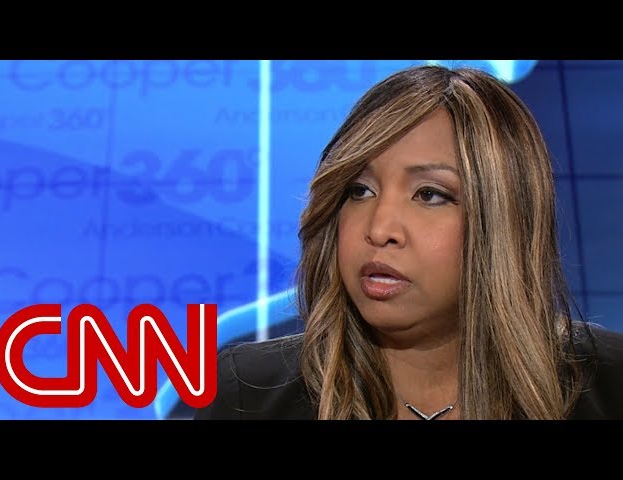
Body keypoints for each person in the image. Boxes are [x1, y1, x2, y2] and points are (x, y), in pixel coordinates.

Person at [195, 64, 623, 420]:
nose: (379, 228)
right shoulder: (247, 393)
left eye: (429, 194)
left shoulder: (611, 385)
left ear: (502, 218)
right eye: (359, 190)